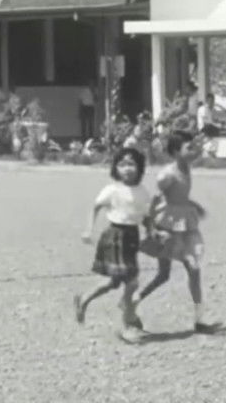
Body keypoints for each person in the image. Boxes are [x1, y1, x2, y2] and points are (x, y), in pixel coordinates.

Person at [133, 131, 220, 334]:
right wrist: (151, 228)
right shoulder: (167, 175)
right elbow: (155, 201)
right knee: (166, 274)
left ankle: (199, 318)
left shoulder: (186, 167)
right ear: (175, 152)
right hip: (168, 225)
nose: (193, 150)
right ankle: (133, 302)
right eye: (188, 147)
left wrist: (194, 205)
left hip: (185, 223)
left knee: (188, 270)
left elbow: (180, 195)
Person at [74, 147, 151, 343]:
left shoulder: (142, 191)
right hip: (115, 237)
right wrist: (88, 229)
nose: (127, 168)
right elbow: (95, 207)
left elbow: (144, 216)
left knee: (114, 282)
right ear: (116, 168)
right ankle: (127, 324)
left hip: (132, 237)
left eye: (131, 164)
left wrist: (153, 232)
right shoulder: (112, 190)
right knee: (132, 282)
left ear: (139, 167)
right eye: (122, 164)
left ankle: (84, 298)